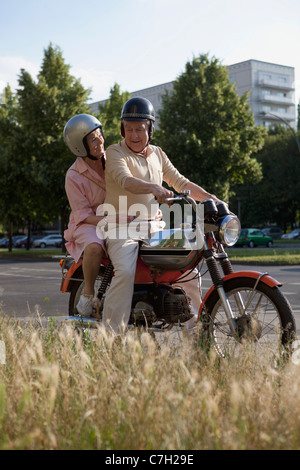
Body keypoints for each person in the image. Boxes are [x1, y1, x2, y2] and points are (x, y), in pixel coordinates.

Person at [100, 97, 225, 335]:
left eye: (140, 129)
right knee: (125, 272)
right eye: (129, 129)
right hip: (121, 227)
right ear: (122, 129)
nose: (134, 135)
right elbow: (125, 181)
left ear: (150, 129)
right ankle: (112, 337)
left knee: (188, 272)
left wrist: (212, 198)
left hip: (153, 227)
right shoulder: (114, 152)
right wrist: (153, 187)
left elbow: (181, 181)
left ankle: (197, 338)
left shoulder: (158, 153)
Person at [63, 114, 107, 317]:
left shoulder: (112, 160)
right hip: (87, 222)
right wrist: (113, 221)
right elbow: (83, 214)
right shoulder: (73, 175)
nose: (100, 142)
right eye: (93, 139)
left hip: (115, 218)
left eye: (100, 136)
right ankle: (88, 294)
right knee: (94, 247)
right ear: (80, 146)